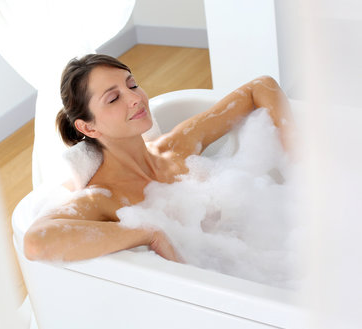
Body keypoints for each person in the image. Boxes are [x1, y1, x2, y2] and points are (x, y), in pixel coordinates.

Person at [24, 54, 295, 263]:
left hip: (272, 249)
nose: (135, 98)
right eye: (114, 98)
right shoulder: (104, 197)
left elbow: (261, 87)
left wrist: (301, 169)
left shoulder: (176, 147)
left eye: (132, 84)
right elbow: (36, 241)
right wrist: (146, 231)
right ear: (88, 127)